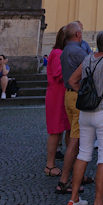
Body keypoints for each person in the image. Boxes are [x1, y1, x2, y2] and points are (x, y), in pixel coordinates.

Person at [66, 30, 103, 205]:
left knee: (83, 153)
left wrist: (85, 93)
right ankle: (98, 204)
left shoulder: (88, 59)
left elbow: (72, 80)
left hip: (85, 112)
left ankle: (74, 199)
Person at [56, 22, 93, 194]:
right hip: (78, 96)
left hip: (68, 96)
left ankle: (78, 174)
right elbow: (92, 69)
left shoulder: (65, 51)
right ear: (78, 34)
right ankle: (64, 181)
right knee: (76, 139)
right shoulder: (79, 52)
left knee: (73, 135)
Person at [44, 27, 70, 177]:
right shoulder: (57, 53)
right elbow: (59, 74)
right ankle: (49, 164)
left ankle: (68, 160)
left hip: (63, 96)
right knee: (55, 131)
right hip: (57, 97)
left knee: (66, 128)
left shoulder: (60, 53)